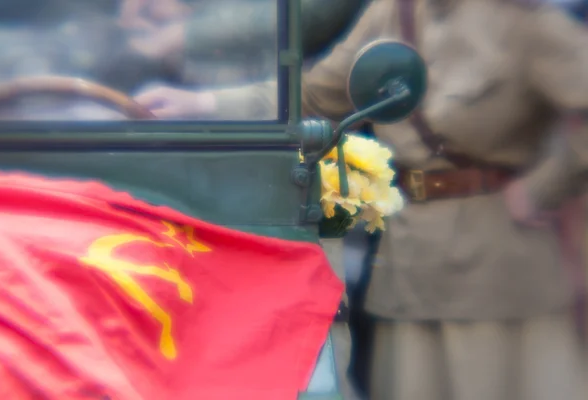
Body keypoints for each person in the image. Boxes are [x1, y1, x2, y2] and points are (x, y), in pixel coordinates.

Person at [134, 0, 588, 398]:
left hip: (499, 270)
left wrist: (542, 188)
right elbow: (314, 94)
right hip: (410, 266)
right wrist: (203, 105)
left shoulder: (526, 22)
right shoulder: (393, 12)